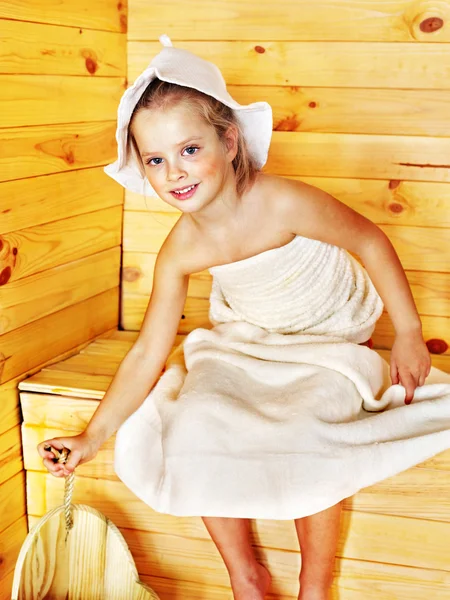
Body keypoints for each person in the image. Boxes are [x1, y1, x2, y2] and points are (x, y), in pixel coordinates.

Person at [38, 36, 450, 600]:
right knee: (197, 415)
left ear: (228, 141)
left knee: (311, 426)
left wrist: (407, 332)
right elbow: (147, 352)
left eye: (189, 150)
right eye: (156, 160)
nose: (175, 172)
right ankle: (245, 575)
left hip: (328, 333)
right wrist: (91, 436)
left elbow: (370, 240)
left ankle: (313, 583)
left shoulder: (282, 202)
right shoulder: (180, 249)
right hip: (248, 339)